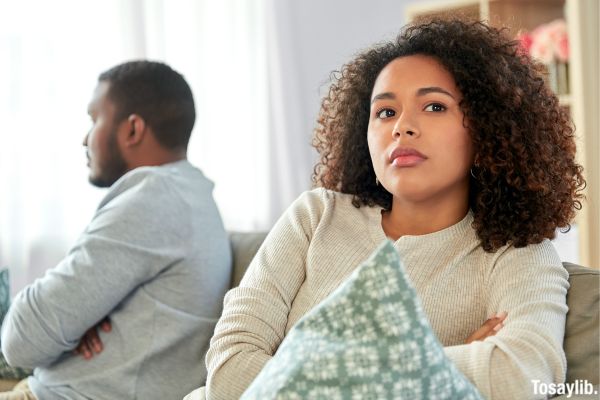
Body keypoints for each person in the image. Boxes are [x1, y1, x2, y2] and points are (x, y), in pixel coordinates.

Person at [200, 19, 584, 400]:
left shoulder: (515, 253)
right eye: (385, 112)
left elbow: (522, 376)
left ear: (487, 129)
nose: (402, 126)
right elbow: (227, 373)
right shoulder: (315, 215)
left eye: (434, 106)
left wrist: (299, 374)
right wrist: (432, 366)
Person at [1, 61, 232, 400]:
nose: (85, 138)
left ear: (132, 130)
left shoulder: (154, 197)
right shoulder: (190, 194)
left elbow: (20, 340)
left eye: (94, 119)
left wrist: (72, 323)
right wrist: (81, 322)